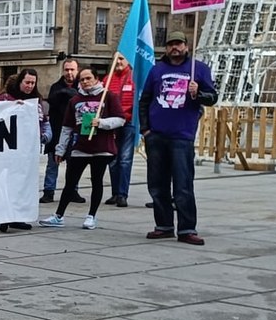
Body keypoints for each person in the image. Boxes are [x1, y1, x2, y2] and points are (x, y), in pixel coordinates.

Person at [141, 27, 217, 246]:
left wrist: (197, 93)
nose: (175, 47)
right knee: (157, 184)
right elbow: (145, 100)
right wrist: (146, 130)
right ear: (166, 48)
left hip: (182, 137)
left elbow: (212, 97)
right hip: (156, 136)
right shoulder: (157, 70)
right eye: (171, 44)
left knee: (183, 185)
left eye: (179, 44)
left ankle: (187, 228)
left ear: (186, 46)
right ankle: (163, 226)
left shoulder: (199, 69)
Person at [43, 67, 124, 230]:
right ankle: (58, 215)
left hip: (102, 148)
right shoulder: (75, 100)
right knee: (70, 182)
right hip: (80, 147)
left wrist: (102, 123)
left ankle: (91, 216)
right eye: (82, 79)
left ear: (96, 78)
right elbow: (67, 127)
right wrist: (60, 149)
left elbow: (120, 119)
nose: (85, 82)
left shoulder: (108, 96)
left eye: (88, 78)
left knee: (97, 181)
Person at [0, 68, 48, 232]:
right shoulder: (5, 98)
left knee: (23, 184)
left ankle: (18, 216)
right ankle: (5, 216)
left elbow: (43, 121)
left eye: (33, 83)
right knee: (8, 183)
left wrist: (45, 135)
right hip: (9, 149)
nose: (30, 86)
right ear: (20, 82)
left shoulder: (36, 100)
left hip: (28, 151)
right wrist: (12, 107)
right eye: (27, 82)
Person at [41, 57, 79, 203]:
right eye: (67, 69)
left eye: (72, 69)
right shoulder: (55, 87)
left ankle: (72, 191)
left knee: (74, 164)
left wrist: (71, 94)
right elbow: (52, 103)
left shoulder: (81, 86)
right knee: (52, 163)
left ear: (77, 70)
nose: (69, 73)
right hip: (57, 130)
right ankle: (48, 191)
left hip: (75, 132)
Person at [105, 55, 139, 208]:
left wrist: (125, 116)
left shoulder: (134, 78)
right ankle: (115, 192)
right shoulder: (108, 78)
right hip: (111, 124)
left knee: (124, 160)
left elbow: (135, 101)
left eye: (121, 59)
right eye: (116, 60)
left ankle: (122, 194)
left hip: (127, 123)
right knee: (112, 159)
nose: (118, 62)